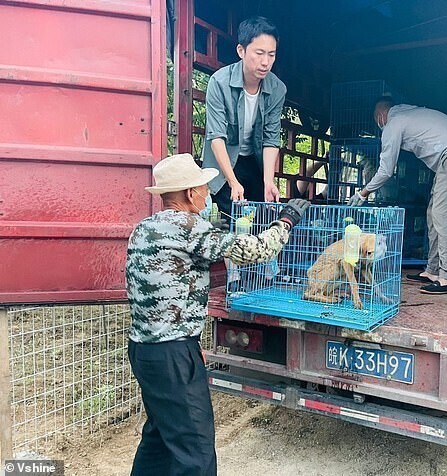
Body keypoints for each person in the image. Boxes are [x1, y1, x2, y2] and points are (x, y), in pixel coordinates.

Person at [125, 153, 309, 475]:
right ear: (188, 194)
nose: (209, 192)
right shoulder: (189, 226)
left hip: (144, 350)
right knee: (195, 450)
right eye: (204, 187)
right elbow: (254, 251)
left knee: (160, 436)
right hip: (172, 354)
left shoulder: (144, 227)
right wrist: (286, 221)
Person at [348, 97, 447, 295]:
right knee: (432, 215)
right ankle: (432, 271)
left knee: (443, 215)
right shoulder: (404, 112)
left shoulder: (393, 123)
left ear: (381, 115)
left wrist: (364, 192)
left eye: (377, 119)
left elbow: (385, 171)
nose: (379, 125)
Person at [202, 16, 286, 217]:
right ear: (241, 50)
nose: (266, 62)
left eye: (271, 55)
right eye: (259, 53)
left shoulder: (277, 89)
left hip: (256, 161)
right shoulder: (219, 82)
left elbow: (271, 138)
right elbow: (216, 137)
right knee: (230, 217)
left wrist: (268, 180)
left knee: (261, 216)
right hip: (226, 160)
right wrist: (232, 182)